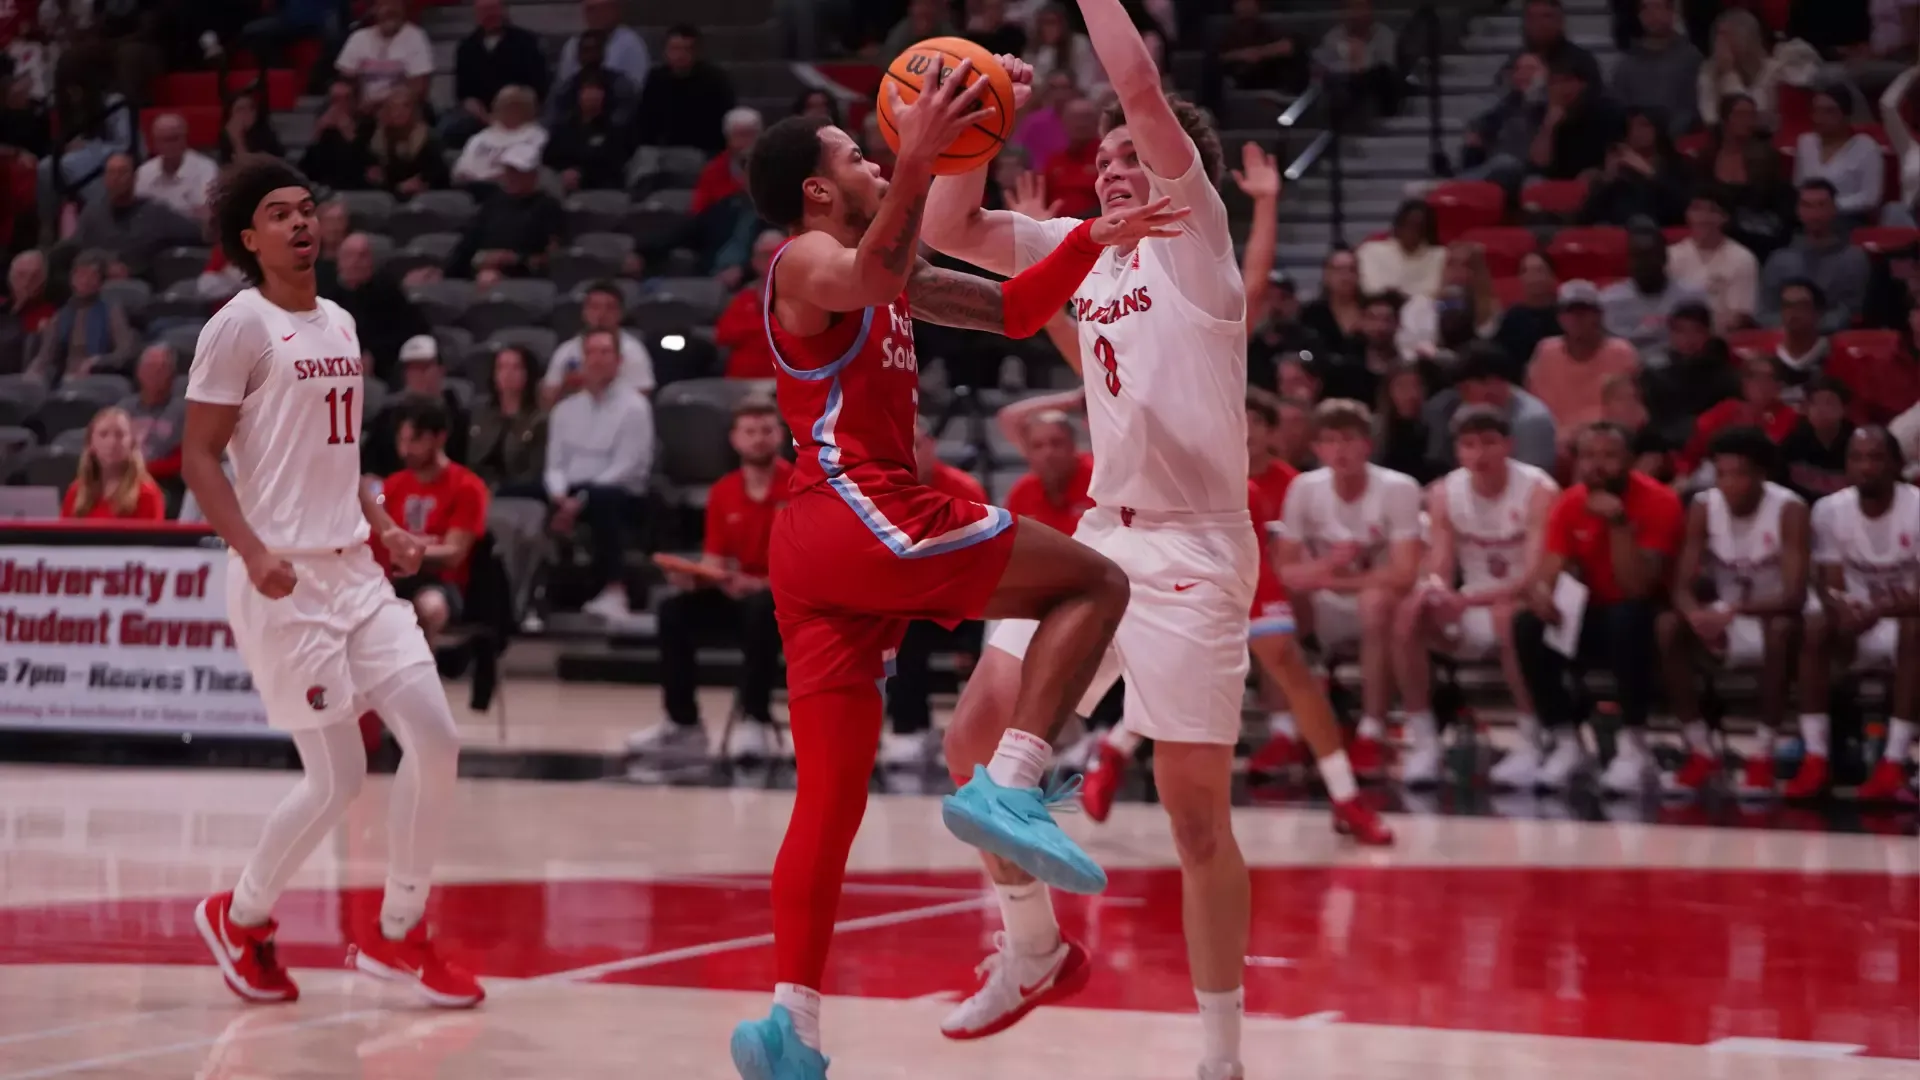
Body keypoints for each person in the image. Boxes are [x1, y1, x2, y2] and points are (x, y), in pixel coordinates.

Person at [730, 51, 1166, 1072]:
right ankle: (1014, 785)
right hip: (858, 517)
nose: (879, 162)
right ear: (816, 189)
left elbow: (1012, 311)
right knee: (1097, 581)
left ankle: (789, 1028)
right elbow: (870, 269)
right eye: (860, 155)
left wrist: (1091, 240)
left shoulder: (889, 270)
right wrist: (922, 153)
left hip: (827, 545)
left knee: (830, 800)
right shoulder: (802, 261)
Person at [918, 11, 1264, 1074]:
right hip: (1102, 537)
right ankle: (1031, 950)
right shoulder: (1087, 253)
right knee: (972, 735)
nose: (1110, 167)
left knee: (1196, 820)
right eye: (1100, 156)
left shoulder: (1197, 239)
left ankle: (1221, 1056)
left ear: (1174, 173)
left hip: (1199, 552)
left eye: (1128, 156)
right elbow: (949, 230)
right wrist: (976, 113)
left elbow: (1147, 94)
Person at [182, 156, 480, 1009]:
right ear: (250, 238)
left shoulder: (343, 323)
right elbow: (201, 457)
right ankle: (241, 916)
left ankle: (399, 934)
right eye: (280, 213)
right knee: (337, 780)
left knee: (436, 738)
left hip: (355, 569)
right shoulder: (237, 327)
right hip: (283, 583)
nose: (302, 223)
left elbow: (341, 459)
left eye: (308, 209)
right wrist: (251, 551)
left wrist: (384, 523)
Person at [1511, 422, 1684, 794]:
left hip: (1646, 618)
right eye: (1588, 456)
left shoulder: (1660, 501)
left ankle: (1633, 746)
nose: (1597, 466)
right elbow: (1548, 570)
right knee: (1526, 624)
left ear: (1630, 462)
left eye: (1609, 456)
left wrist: (1618, 521)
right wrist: (1542, 594)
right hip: (1588, 615)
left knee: (1627, 617)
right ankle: (1566, 741)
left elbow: (1637, 587)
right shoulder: (1570, 502)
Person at [1391, 405, 1558, 786]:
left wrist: (1464, 601)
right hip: (1474, 601)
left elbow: (1534, 575)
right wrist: (1435, 591)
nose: (1479, 454)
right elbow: (1440, 563)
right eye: (1468, 445)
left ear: (1509, 445)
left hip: (1529, 602)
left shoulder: (1539, 490)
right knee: (1409, 610)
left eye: (1488, 443)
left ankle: (1532, 740)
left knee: (1508, 618)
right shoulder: (1446, 492)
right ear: (1457, 450)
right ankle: (1425, 741)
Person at [632, 397, 790, 763]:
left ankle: (756, 717)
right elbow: (715, 561)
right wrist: (699, 579)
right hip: (737, 592)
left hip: (787, 601)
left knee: (761, 606)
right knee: (674, 610)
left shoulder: (803, 486)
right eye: (750, 432)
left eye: (766, 431)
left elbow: (813, 566)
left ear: (780, 436)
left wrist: (760, 584)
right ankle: (682, 722)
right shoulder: (723, 491)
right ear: (735, 439)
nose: (758, 440)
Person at [1658, 426, 1809, 797]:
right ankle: (1700, 749)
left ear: (1761, 474)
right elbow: (1681, 585)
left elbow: (1794, 595)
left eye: (1739, 474)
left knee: (1780, 632)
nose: (1728, 483)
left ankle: (1763, 753)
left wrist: (1730, 610)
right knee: (1667, 626)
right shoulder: (1703, 506)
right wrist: (1696, 614)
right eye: (1721, 473)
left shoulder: (1789, 509)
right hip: (1727, 618)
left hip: (1775, 617)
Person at [1277, 399, 1423, 779]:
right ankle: (1284, 729)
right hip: (1324, 602)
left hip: (1376, 605)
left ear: (1367, 445)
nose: (1339, 450)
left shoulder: (1398, 488)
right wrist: (1327, 566)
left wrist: (1331, 578)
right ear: (1316, 448)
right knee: (1274, 607)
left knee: (1376, 603)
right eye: (1329, 440)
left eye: (1348, 439)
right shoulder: (1304, 488)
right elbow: (1285, 570)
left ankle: (1371, 730)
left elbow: (1405, 573)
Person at [1799, 427, 1920, 800]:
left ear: (1897, 464)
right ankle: (1815, 757)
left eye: (1875, 457)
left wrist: (1881, 607)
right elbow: (1830, 583)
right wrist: (1841, 606)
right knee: (1817, 625)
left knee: (1914, 628)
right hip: (1855, 625)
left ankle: (1894, 762)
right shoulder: (1830, 510)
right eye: (1857, 457)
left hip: (1903, 624)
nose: (1866, 467)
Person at [544, 328, 653, 623]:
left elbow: (627, 466)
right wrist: (559, 495)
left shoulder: (635, 407)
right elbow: (554, 465)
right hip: (570, 492)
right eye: (591, 352)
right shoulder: (564, 410)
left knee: (604, 499)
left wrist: (579, 500)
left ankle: (616, 591)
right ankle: (528, 595)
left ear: (618, 361)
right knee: (517, 495)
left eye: (605, 352)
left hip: (620, 493)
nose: (597, 359)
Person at [377, 397, 490, 642]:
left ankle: (423, 675)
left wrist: (408, 548)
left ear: (439, 438)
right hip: (390, 579)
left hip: (440, 584)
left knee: (428, 608)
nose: (405, 451)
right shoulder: (392, 485)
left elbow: (454, 554)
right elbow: (376, 529)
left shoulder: (467, 487)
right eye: (402, 441)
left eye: (415, 440)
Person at [1526, 280, 1641, 441]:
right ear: (1560, 317)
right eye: (1570, 312)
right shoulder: (1546, 352)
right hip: (1554, 442)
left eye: (1584, 312)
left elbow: (1630, 412)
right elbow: (1534, 406)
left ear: (1599, 315)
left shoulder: (1622, 353)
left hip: (1606, 440)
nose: (1576, 319)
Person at [1423, 342, 1560, 473]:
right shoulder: (1463, 411)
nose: (1462, 396)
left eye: (1466, 389)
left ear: (1493, 384)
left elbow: (1533, 480)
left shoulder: (1532, 421)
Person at [1761, 181, 1873, 332]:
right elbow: (1765, 314)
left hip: (1833, 340)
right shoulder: (1779, 260)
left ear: (1834, 209)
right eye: (1807, 206)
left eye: (1821, 205)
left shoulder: (1853, 259)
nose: (1814, 214)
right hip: (1785, 339)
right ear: (1798, 211)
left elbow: (1851, 312)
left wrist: (1804, 325)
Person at [1675, 352, 1801, 478]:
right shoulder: (1726, 408)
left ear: (1779, 385)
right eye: (1752, 376)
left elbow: (1765, 452)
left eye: (1767, 378)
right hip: (1716, 473)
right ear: (1743, 382)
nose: (1759, 383)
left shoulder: (1789, 415)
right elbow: (1695, 448)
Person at [996, 390, 1095, 537]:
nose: (1048, 453)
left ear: (1073, 445)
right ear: (1027, 453)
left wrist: (1080, 400)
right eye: (1038, 446)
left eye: (1057, 443)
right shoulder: (1022, 492)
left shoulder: (1098, 480)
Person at [1602, 224, 1707, 359]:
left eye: (1649, 255)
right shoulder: (1608, 301)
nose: (1643, 263)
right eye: (1637, 256)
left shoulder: (1692, 297)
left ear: (1664, 258)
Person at [543, 281, 657, 402]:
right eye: (595, 307)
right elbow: (548, 396)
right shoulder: (566, 350)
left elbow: (643, 395)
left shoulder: (633, 350)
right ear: (584, 313)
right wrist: (565, 386)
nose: (601, 314)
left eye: (609, 308)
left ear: (620, 314)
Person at [1793, 85, 1885, 230]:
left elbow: (1870, 198)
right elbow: (1798, 185)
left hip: (1847, 219)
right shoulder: (1805, 142)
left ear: (1846, 114)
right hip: (1807, 218)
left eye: (1828, 112)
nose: (1819, 118)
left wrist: (1828, 208)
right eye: (1816, 111)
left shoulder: (1866, 146)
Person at [633, 24, 735, 154]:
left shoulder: (715, 80)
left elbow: (722, 122)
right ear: (665, 51)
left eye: (687, 49)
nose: (680, 55)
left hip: (701, 151)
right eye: (675, 49)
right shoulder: (656, 79)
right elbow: (644, 121)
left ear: (697, 52)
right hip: (659, 151)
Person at [1669, 193, 1760, 333]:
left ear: (1725, 217)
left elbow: (1740, 316)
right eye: (1697, 209)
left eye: (1711, 211)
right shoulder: (1670, 256)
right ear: (1687, 215)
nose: (1703, 218)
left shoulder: (1742, 258)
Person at [1609, 0, 1701, 135]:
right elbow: (1619, 111)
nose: (1651, 13)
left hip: (1679, 143)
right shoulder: (1626, 65)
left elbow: (1693, 110)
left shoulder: (1691, 59)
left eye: (1657, 6)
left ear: (1671, 12)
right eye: (1645, 8)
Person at [61, 406, 166, 520]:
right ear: (91, 444)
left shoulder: (147, 494)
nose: (112, 442)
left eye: (120, 435)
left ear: (132, 444)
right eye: (103, 434)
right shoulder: (76, 492)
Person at [1697, 8, 1779, 127]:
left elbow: (1753, 118)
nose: (1720, 44)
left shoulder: (1773, 70)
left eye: (1726, 36)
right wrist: (1725, 74)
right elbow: (1709, 119)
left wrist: (1730, 76)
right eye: (1718, 36)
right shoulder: (1709, 70)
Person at [1779, 376, 1856, 499]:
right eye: (1815, 403)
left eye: (1828, 403)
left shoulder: (1857, 443)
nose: (1821, 410)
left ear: (1844, 409)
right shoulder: (1793, 443)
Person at [121, 343, 186, 482]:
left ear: (173, 375)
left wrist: (142, 470)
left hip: (164, 482)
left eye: (162, 368)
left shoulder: (183, 411)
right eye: (149, 367)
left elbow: (188, 457)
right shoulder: (123, 409)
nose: (154, 373)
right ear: (138, 371)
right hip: (122, 479)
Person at [1493, 251, 1561, 380]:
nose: (1533, 278)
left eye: (1539, 270)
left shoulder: (1565, 315)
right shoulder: (1512, 317)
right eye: (1526, 271)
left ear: (1552, 276)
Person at [1356, 200, 1445, 299]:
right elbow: (1369, 289)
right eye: (1408, 225)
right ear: (1397, 226)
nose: (1412, 232)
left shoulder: (1441, 256)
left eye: (1419, 227)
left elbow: (1436, 293)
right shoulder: (1371, 251)